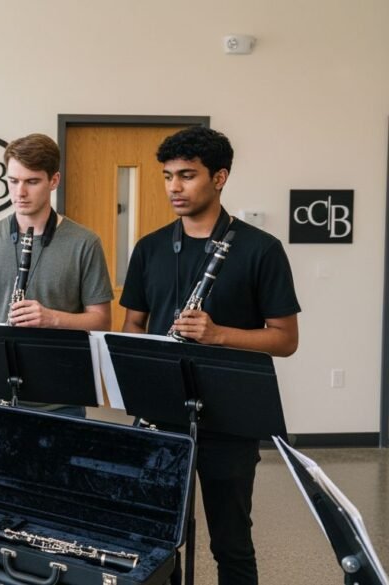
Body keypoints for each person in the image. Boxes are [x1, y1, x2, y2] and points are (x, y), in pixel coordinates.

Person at [120, 126, 300, 585]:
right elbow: (133, 327)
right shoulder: (150, 247)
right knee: (156, 542)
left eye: (187, 175)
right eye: (167, 176)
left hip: (231, 417)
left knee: (232, 542)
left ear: (219, 178)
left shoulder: (261, 249)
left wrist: (217, 334)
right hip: (162, 410)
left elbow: (285, 339)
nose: (174, 188)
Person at [0, 133, 112, 330]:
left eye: (32, 182)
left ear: (54, 181)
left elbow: (102, 321)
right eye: (13, 181)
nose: (20, 192)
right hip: (0, 359)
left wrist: (52, 319)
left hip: (61, 360)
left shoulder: (85, 242)